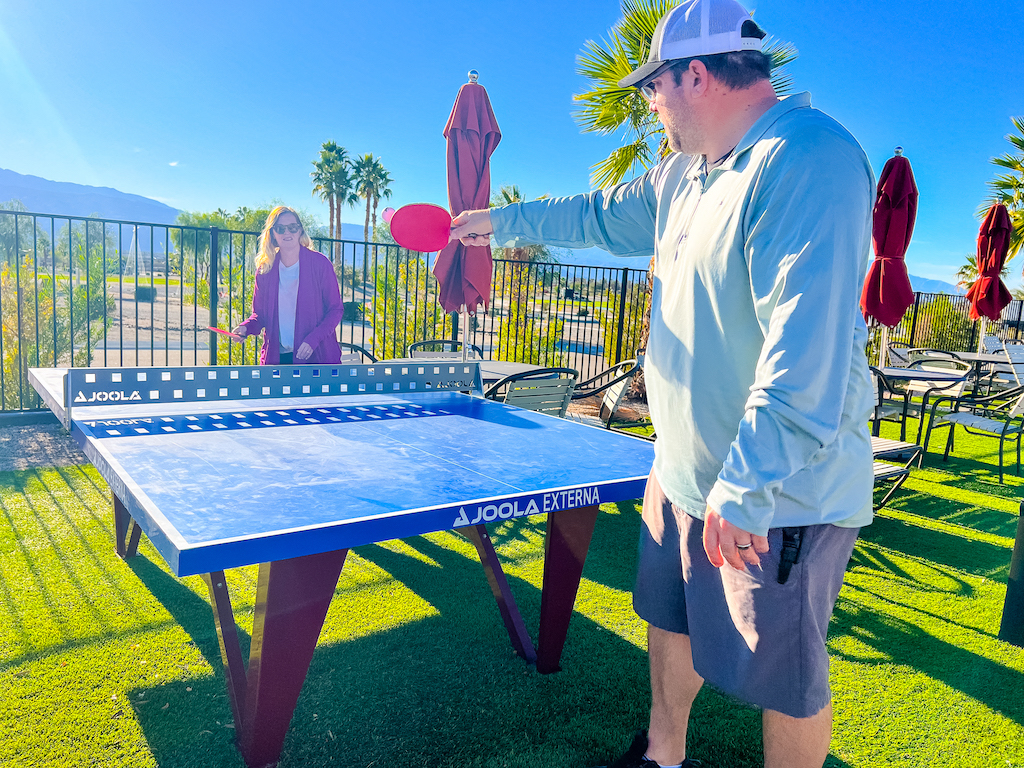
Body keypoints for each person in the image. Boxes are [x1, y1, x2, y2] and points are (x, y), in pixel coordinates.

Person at [451, 1, 875, 766]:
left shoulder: (806, 156)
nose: (651, 102)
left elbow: (804, 345)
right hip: (680, 470)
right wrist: (494, 222)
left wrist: (744, 485)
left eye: (655, 86)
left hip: (778, 491)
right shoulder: (685, 174)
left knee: (786, 678)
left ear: (697, 76)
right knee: (670, 620)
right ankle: (664, 754)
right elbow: (593, 214)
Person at [233, 206, 343, 365]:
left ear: (300, 231)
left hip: (318, 356)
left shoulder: (320, 264)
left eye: (292, 227)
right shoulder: (265, 270)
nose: (287, 233)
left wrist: (313, 340)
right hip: (278, 359)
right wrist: (245, 328)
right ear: (272, 234)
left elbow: (335, 309)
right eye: (280, 228)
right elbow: (260, 315)